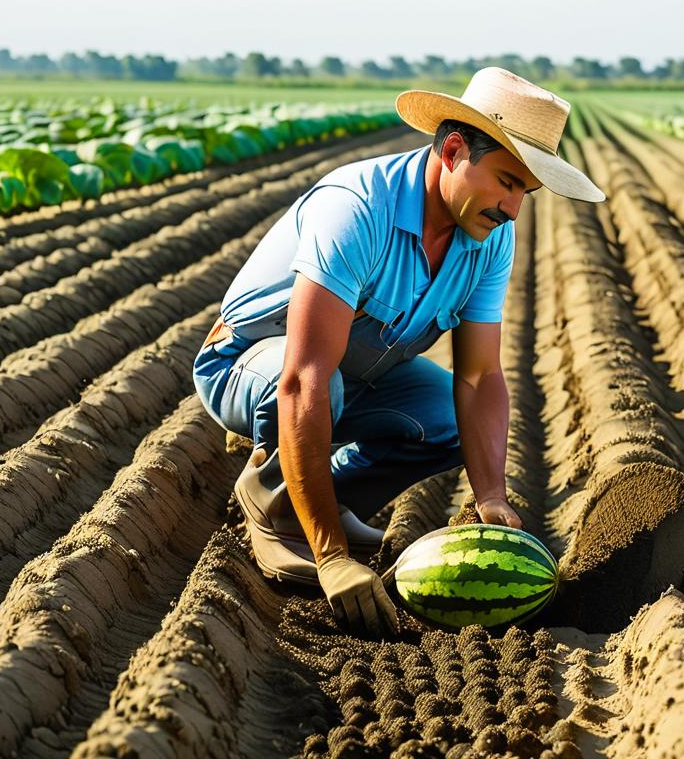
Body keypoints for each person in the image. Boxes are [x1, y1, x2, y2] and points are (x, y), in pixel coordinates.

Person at [192, 67, 604, 637]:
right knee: (323, 382)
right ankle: (283, 514)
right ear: (454, 148)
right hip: (249, 363)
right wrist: (334, 557)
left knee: (451, 423)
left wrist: (491, 494)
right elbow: (302, 379)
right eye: (508, 181)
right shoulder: (359, 209)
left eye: (525, 193)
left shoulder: (489, 237)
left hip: (358, 371)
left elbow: (481, 376)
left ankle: (302, 501)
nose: (513, 209)